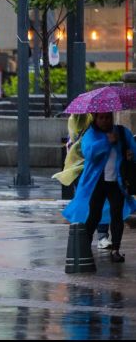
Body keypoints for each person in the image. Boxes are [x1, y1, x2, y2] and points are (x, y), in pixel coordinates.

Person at [62, 112, 136, 263]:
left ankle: (116, 249)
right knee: (93, 215)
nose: (104, 121)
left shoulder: (122, 132)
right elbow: (89, 152)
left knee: (117, 215)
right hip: (97, 182)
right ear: (95, 118)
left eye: (107, 117)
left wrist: (130, 154)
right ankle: (85, 247)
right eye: (101, 118)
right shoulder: (91, 134)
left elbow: (133, 150)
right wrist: (106, 142)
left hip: (117, 182)